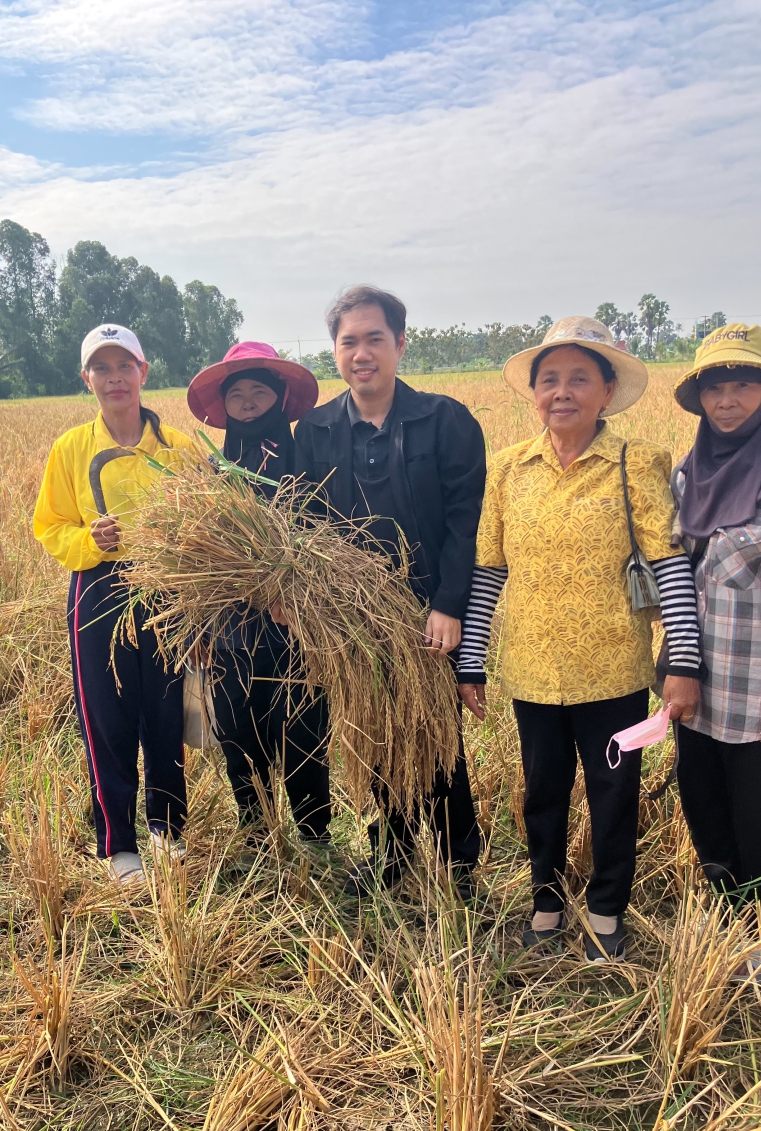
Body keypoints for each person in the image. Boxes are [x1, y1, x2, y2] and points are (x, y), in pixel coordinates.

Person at [457, 316, 702, 961]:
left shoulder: (636, 462)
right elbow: (489, 570)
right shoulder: (509, 469)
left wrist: (683, 659)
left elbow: (669, 565)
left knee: (613, 792)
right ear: (534, 392)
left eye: (579, 379)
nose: (561, 392)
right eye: (549, 380)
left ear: (607, 390)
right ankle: (546, 901)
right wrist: (472, 660)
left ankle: (605, 908)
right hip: (533, 667)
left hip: (615, 668)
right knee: (541, 792)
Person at [290, 285, 486, 901]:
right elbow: (304, 526)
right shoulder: (315, 431)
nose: (362, 354)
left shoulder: (445, 420)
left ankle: (457, 861)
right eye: (349, 342)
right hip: (353, 618)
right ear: (335, 351)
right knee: (374, 731)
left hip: (429, 611)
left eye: (375, 338)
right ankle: (391, 854)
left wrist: (449, 604)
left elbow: (466, 522)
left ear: (400, 344)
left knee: (437, 733)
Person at [33, 325, 196, 889]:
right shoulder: (71, 449)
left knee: (167, 710)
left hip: (167, 591)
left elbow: (206, 523)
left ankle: (168, 828)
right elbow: (50, 524)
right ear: (87, 380)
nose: (115, 378)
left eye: (124, 365)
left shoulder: (178, 448)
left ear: (143, 372)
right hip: (99, 588)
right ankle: (119, 843)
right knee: (107, 716)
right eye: (101, 368)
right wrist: (89, 540)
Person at [670, 324, 761, 919]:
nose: (726, 401)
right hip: (697, 696)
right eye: (715, 388)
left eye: (743, 385)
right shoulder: (685, 477)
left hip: (759, 707)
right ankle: (729, 933)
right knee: (709, 820)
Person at [187, 343, 332, 870]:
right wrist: (197, 626)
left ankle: (315, 839)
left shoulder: (306, 462)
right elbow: (194, 556)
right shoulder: (211, 472)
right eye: (237, 395)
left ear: (279, 399)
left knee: (303, 733)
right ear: (224, 406)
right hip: (228, 630)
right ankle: (255, 836)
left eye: (259, 392)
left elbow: (328, 536)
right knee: (237, 733)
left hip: (295, 627)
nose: (248, 403)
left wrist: (293, 592)